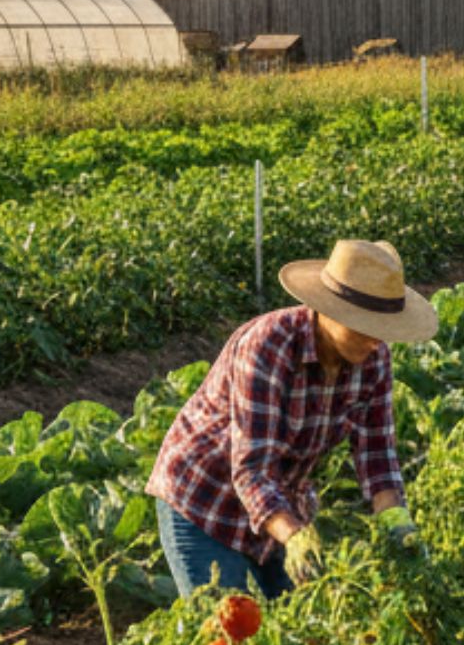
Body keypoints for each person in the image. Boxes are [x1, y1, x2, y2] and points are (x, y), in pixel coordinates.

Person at [147, 239, 437, 598]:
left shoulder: (373, 358)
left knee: (307, 626)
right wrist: (296, 537)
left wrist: (396, 521)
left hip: (281, 500)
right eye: (363, 326)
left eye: (382, 328)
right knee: (227, 630)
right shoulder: (268, 346)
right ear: (328, 310)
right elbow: (252, 469)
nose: (374, 340)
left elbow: (377, 456)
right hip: (205, 499)